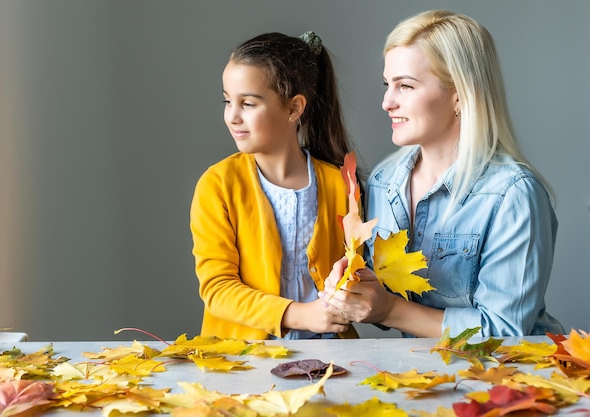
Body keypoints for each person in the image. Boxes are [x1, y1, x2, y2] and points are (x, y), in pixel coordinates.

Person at [319, 10, 564, 338]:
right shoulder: (383, 181)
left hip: (511, 377)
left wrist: (391, 310)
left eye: (405, 86)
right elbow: (385, 295)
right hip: (426, 378)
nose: (386, 102)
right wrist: (356, 287)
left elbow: (506, 332)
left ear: (460, 95)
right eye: (387, 85)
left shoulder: (514, 194)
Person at [190, 31, 359, 340]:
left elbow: (357, 270)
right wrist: (300, 315)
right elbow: (217, 289)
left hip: (332, 360)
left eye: (248, 104)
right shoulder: (217, 185)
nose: (232, 116)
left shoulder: (341, 185)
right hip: (242, 365)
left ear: (294, 108)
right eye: (228, 101)